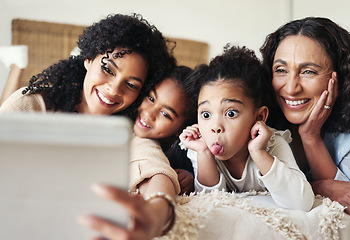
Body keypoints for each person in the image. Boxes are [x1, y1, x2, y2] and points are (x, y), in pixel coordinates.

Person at [179, 45, 314, 211]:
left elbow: (302, 203)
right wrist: (204, 154)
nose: (215, 127)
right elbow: (208, 203)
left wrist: (259, 153)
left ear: (259, 117)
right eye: (206, 115)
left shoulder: (272, 145)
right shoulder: (201, 148)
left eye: (231, 113)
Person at [78, 66, 198, 239]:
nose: (149, 113)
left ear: (182, 128)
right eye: (150, 98)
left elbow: (154, 169)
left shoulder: (175, 147)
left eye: (165, 113)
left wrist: (157, 211)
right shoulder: (119, 117)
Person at [260, 16, 350, 220]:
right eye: (281, 70)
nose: (291, 88)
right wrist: (319, 187)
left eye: (308, 71)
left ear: (340, 76)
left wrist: (310, 136)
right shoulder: (261, 130)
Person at [0, 13, 175, 121]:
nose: (114, 90)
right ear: (88, 59)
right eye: (107, 69)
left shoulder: (132, 132)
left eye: (131, 85)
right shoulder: (30, 106)